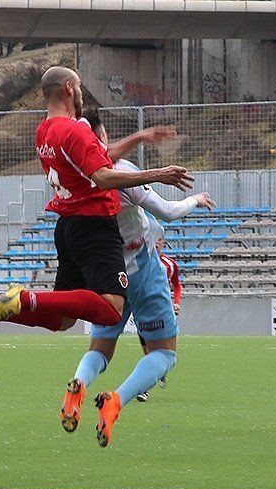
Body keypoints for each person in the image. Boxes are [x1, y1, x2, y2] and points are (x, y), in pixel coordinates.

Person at [0, 66, 193, 341]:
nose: (82, 93)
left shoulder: (43, 132)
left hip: (68, 227)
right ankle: (23, 299)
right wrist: (159, 174)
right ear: (70, 89)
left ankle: (5, 309)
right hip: (95, 224)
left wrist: (140, 137)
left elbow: (99, 157)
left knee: (62, 321)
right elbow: (104, 177)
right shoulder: (75, 131)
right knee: (111, 310)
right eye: (80, 86)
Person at [60, 109, 215, 446]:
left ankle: (79, 384)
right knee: (164, 354)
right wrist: (195, 199)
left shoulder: (72, 179)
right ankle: (116, 401)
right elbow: (168, 213)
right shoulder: (123, 174)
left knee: (101, 349)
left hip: (105, 274)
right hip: (142, 268)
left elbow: (97, 155)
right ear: (101, 138)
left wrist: (139, 138)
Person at [136, 238, 181, 402]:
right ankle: (158, 370)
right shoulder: (139, 261)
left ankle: (145, 388)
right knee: (147, 349)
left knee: (156, 351)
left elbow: (177, 285)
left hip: (162, 310)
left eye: (159, 240)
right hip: (141, 309)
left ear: (164, 243)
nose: (156, 243)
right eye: (153, 239)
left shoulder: (170, 264)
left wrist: (176, 303)